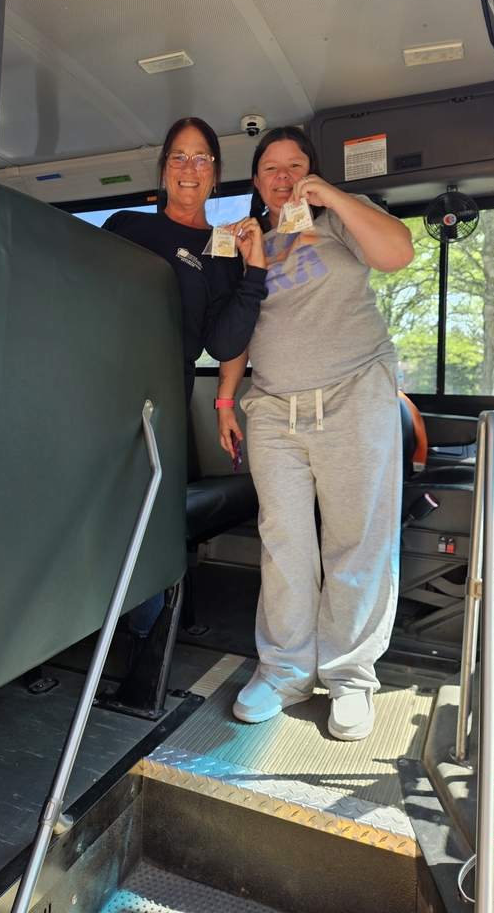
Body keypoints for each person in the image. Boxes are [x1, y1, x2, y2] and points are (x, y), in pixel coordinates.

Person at [215, 126, 414, 740]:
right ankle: (282, 670)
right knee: (284, 543)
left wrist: (332, 196)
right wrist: (225, 400)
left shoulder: (336, 224)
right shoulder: (246, 241)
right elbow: (234, 332)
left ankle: (351, 676)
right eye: (269, 168)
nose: (281, 176)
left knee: (358, 540)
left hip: (355, 392)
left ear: (310, 172)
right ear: (255, 181)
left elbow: (399, 253)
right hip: (274, 406)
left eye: (294, 166)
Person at [104, 116, 268, 641]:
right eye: (178, 156)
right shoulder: (127, 226)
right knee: (98, 508)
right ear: (163, 170)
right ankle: (81, 625)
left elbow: (223, 344)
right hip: (101, 387)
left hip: (163, 402)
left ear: (216, 174)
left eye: (201, 158)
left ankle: (146, 643)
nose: (189, 168)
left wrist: (254, 273)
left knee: (152, 518)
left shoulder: (223, 249)